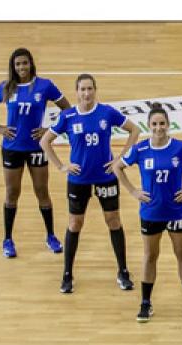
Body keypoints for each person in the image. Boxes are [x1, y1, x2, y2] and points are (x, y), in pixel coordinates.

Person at [40, 74, 141, 294]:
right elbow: (45, 141)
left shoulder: (106, 112)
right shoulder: (68, 116)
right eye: (82, 89)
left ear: (95, 90)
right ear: (76, 92)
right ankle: (67, 274)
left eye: (90, 89)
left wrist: (120, 159)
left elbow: (135, 130)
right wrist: (61, 166)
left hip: (106, 177)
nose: (86, 93)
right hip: (79, 179)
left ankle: (123, 271)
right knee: (75, 224)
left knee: (113, 221)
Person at [113, 105, 182, 323]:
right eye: (155, 124)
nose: (159, 128)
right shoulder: (140, 149)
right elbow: (118, 167)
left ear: (168, 124)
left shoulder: (180, 147)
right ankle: (145, 303)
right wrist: (133, 191)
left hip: (176, 212)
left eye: (162, 123)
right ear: (149, 126)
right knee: (150, 256)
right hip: (151, 212)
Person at [0, 48, 70, 258]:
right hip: (12, 148)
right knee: (12, 193)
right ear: (13, 67)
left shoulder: (45, 85)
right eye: (17, 64)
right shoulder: (6, 87)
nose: (21, 67)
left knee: (42, 191)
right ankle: (8, 239)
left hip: (36, 147)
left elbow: (67, 110)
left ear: (31, 63)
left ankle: (51, 236)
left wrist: (49, 130)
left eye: (24, 63)